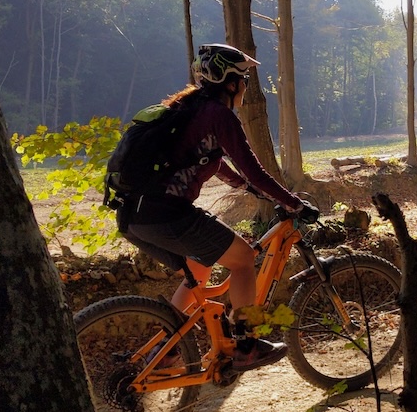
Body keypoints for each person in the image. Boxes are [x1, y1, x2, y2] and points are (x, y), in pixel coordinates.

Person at [116, 43, 318, 371]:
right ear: (231, 82)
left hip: (134, 217)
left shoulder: (189, 107)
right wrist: (293, 202)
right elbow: (253, 168)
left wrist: (245, 186)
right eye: (244, 80)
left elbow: (211, 160)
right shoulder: (219, 114)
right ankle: (247, 344)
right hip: (168, 214)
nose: (245, 87)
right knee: (244, 259)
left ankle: (166, 353)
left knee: (199, 269)